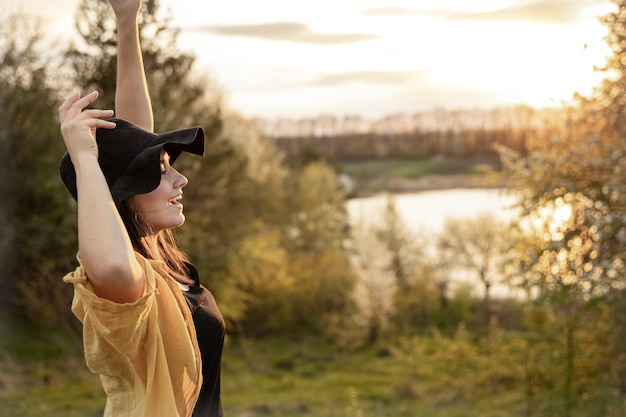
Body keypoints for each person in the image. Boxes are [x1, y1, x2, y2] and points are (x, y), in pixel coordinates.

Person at [58, 1, 225, 416]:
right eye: (163, 171)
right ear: (128, 192)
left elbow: (136, 133)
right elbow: (112, 263)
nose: (180, 179)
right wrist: (84, 158)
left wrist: (127, 19)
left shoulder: (159, 254)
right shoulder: (124, 281)